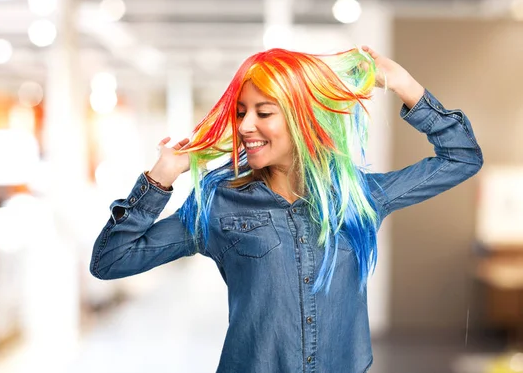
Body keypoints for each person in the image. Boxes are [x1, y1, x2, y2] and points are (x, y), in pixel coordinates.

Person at [89, 46, 483, 373]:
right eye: (241, 112)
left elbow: (462, 157)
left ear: (302, 116)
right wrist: (159, 178)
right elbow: (110, 261)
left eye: (264, 112)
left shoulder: (358, 198)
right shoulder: (218, 203)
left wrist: (401, 83)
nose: (244, 126)